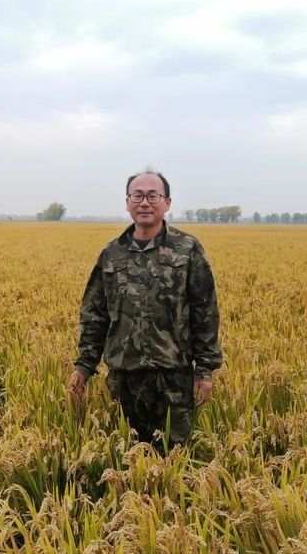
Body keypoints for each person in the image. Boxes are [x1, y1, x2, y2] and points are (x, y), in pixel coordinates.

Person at [66, 171, 222, 451]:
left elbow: (205, 311)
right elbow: (94, 315)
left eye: (153, 195)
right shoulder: (111, 253)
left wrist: (204, 371)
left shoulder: (187, 249)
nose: (145, 202)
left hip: (173, 379)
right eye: (137, 196)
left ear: (167, 202)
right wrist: (84, 367)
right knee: (124, 455)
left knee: (174, 457)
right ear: (127, 202)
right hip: (123, 379)